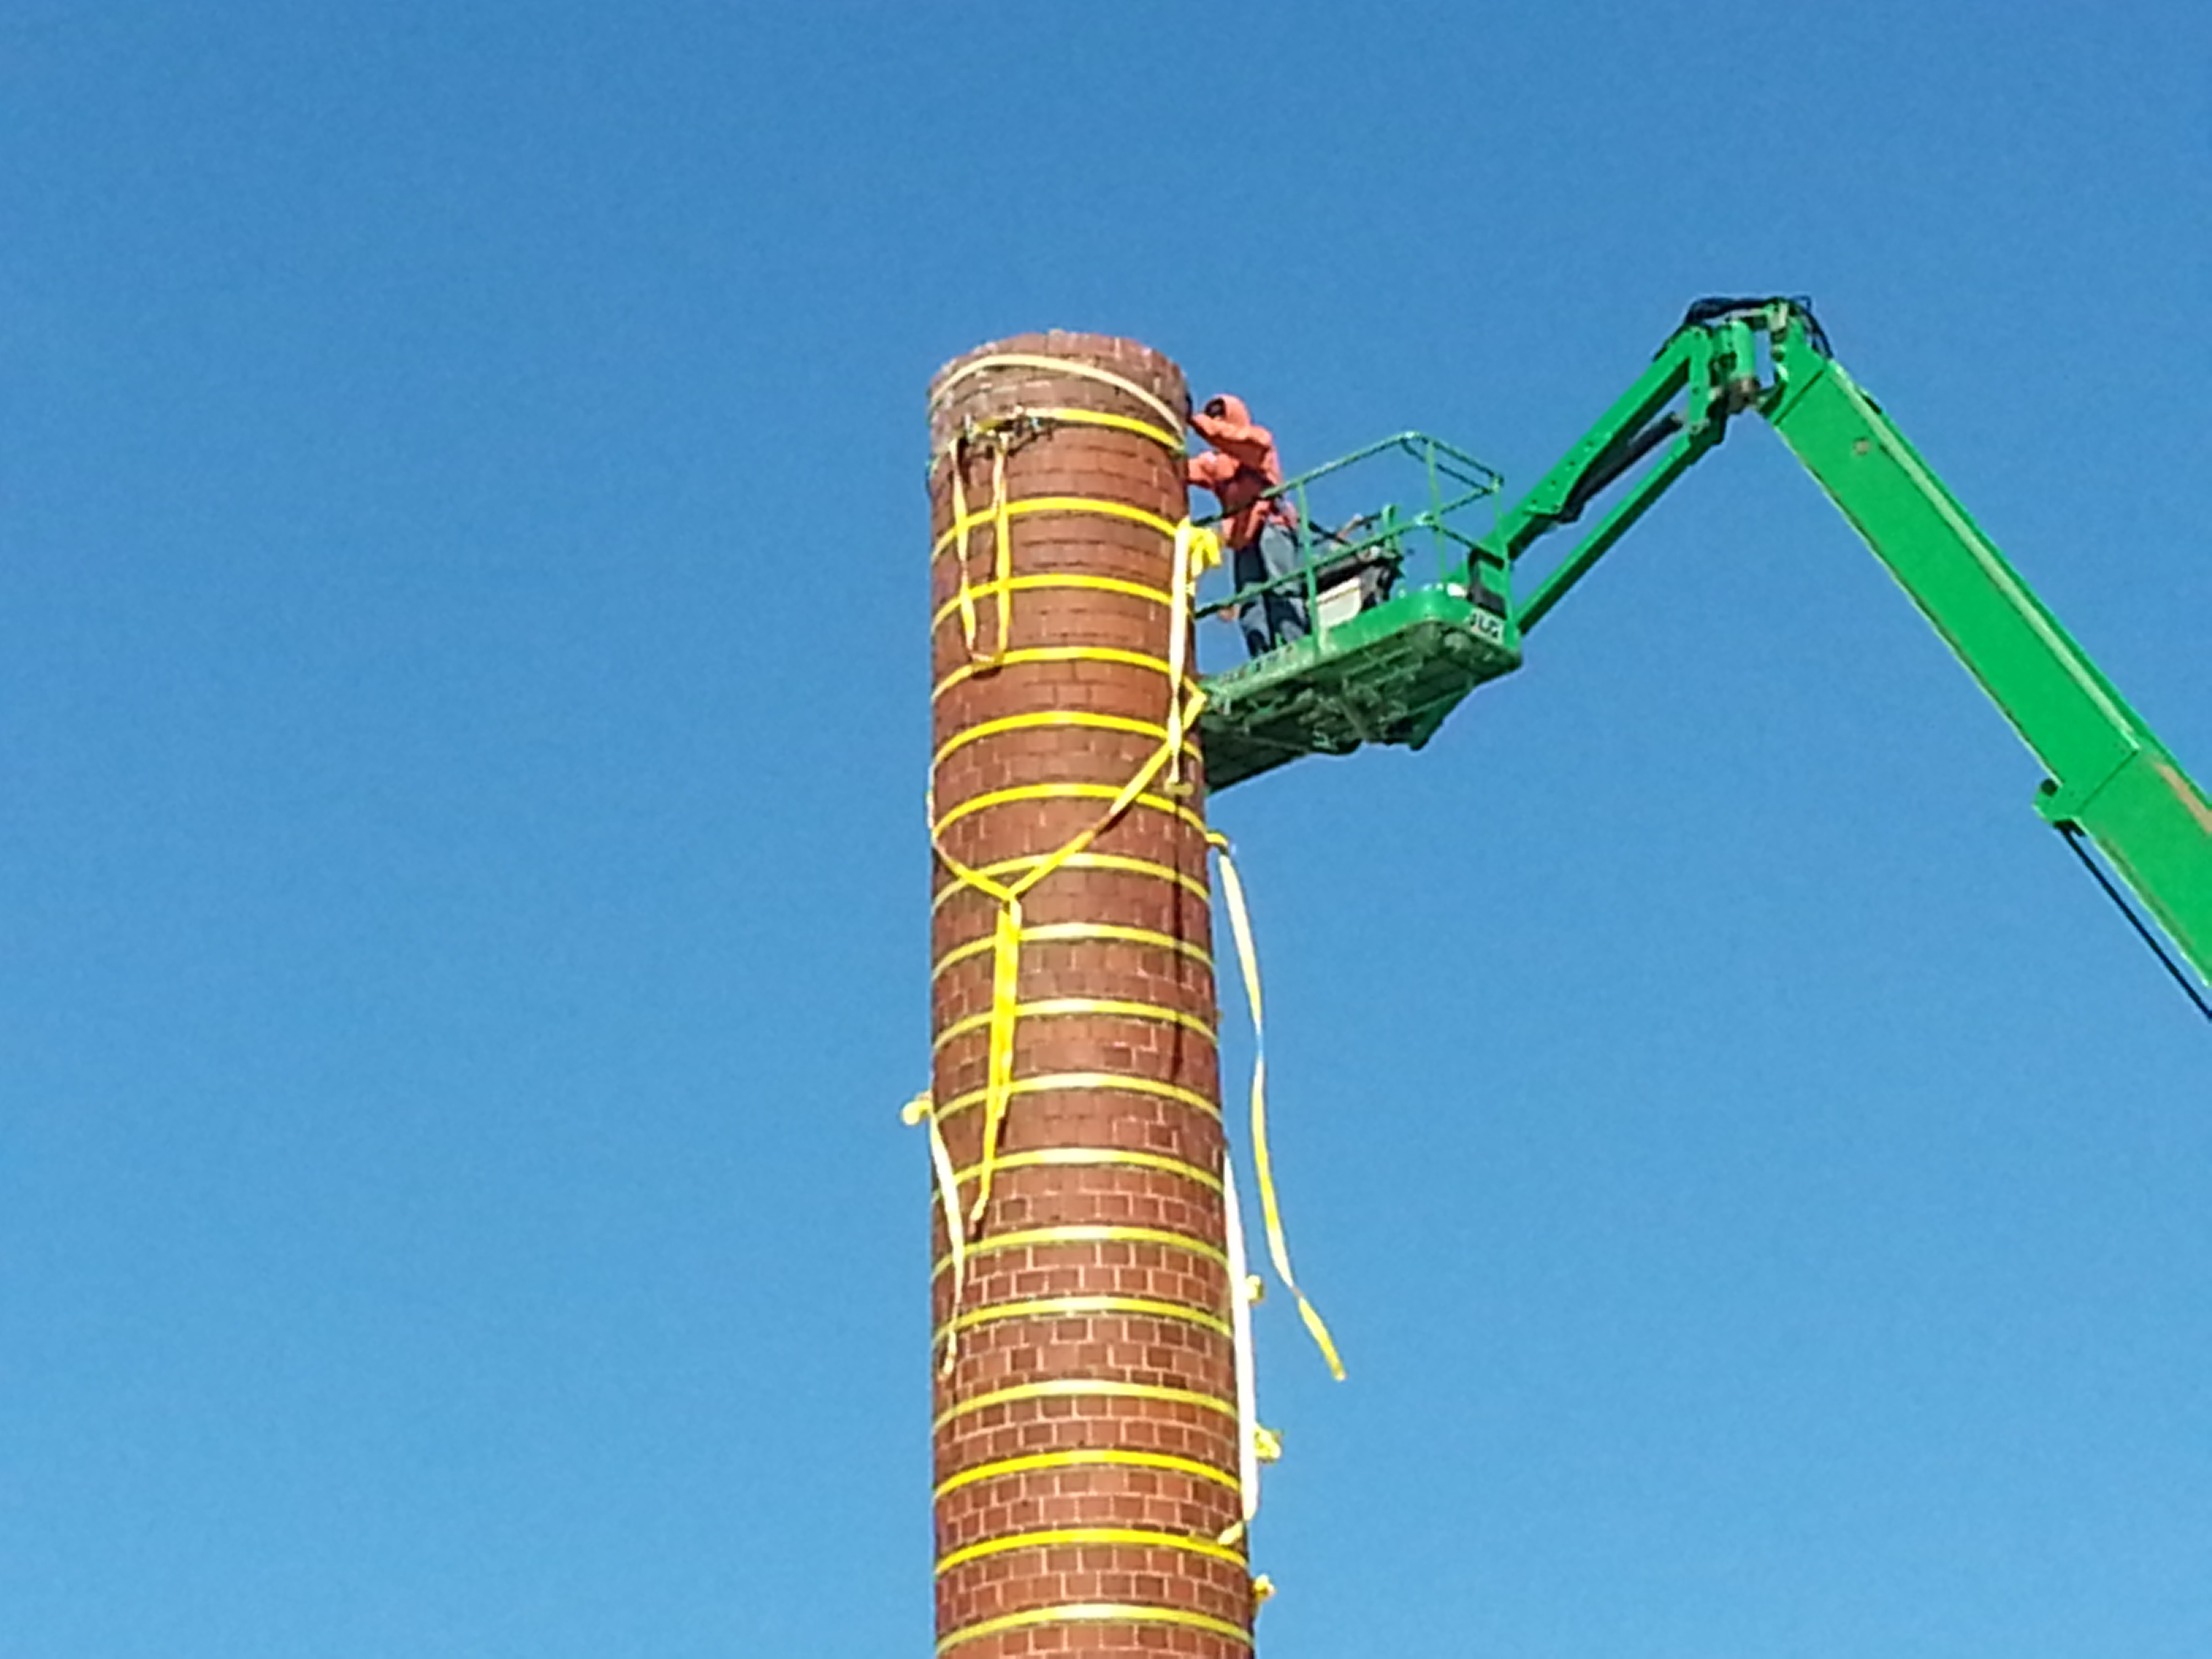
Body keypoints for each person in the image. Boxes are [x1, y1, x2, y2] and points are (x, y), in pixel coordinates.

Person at [1187, 395, 1309, 657]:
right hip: (1244, 539)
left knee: (1281, 588)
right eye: (1213, 416)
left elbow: (1233, 439)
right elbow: (1183, 469)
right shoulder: (1217, 464)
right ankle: (1262, 658)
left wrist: (1194, 420)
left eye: (1222, 415)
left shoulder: (1257, 442)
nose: (1217, 421)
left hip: (1271, 526)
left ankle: (1296, 647)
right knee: (1251, 602)